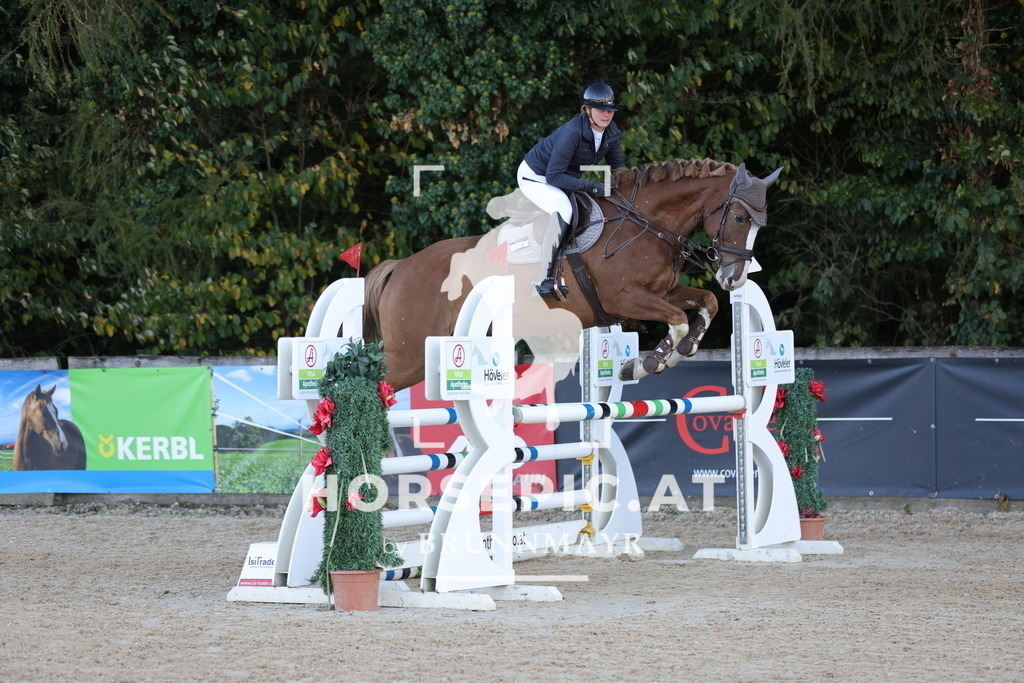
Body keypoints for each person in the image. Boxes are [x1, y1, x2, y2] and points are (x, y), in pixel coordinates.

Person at [518, 81, 627, 300]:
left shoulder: (611, 132)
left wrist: (636, 184)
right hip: (536, 177)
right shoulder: (573, 131)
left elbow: (619, 167)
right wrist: (591, 185)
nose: (607, 115)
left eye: (611, 111)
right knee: (563, 209)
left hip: (562, 177)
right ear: (588, 110)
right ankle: (543, 279)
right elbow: (554, 176)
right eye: (602, 110)